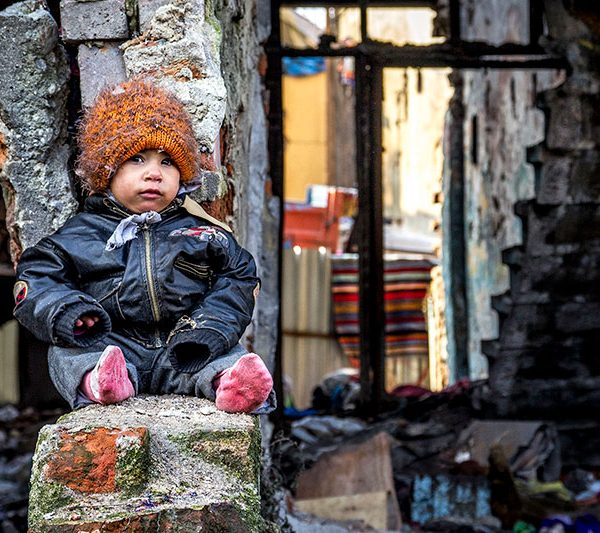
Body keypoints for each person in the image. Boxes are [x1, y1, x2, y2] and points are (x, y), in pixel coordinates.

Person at [12, 78, 274, 414]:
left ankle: (232, 384)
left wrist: (209, 327)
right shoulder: (81, 234)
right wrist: (69, 311)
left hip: (185, 350)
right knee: (65, 354)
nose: (154, 173)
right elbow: (36, 278)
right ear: (106, 171)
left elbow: (239, 278)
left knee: (228, 353)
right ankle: (101, 381)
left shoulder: (202, 234)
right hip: (111, 345)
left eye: (167, 162)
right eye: (137, 159)